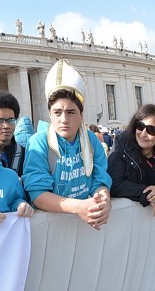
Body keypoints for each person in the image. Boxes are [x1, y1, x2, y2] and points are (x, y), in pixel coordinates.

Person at [22, 60, 112, 230]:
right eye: (57, 112)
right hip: (50, 229)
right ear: (50, 114)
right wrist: (79, 207)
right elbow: (38, 194)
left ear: (81, 115)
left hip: (86, 224)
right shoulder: (39, 142)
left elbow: (99, 180)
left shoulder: (92, 140)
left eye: (71, 112)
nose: (64, 120)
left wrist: (103, 201)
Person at [108, 104, 155, 217]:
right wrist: (147, 194)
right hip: (123, 220)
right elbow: (114, 184)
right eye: (140, 126)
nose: (143, 133)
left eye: (151, 129)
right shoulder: (122, 146)